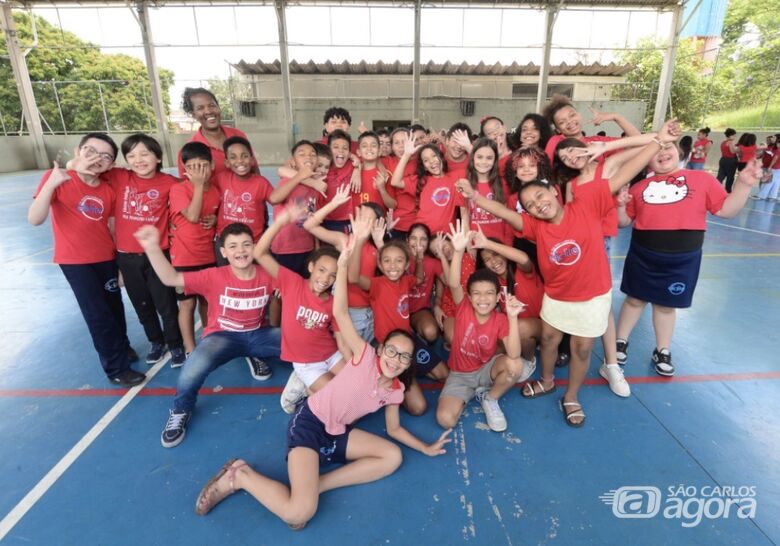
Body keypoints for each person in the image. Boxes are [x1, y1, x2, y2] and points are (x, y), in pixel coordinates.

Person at [192, 238, 452, 528]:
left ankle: (318, 484)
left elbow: (394, 429)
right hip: (311, 427)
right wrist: (341, 267)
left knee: (392, 457)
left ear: (408, 364)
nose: (395, 359)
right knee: (298, 514)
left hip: (338, 433)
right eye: (391, 350)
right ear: (380, 350)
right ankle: (239, 476)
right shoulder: (363, 356)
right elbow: (340, 311)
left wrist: (426, 447)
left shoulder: (396, 390)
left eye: (403, 356)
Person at [514, 121, 681, 427]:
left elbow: (627, 168)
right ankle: (548, 379)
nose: (574, 158)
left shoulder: (592, 188)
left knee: (582, 346)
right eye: (566, 157)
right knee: (550, 338)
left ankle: (573, 394)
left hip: (593, 270)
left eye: (577, 152)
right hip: (563, 280)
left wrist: (656, 141)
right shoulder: (569, 191)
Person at [615, 144, 763, 376]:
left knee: (665, 306)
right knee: (634, 300)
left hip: (682, 259)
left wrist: (744, 185)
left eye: (667, 147)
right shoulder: (639, 187)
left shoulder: (701, 179)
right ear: (645, 160)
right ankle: (619, 342)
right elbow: (623, 222)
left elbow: (726, 210)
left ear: (680, 151)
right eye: (655, 151)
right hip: (643, 255)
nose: (662, 153)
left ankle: (662, 349)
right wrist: (620, 206)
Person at [134, 222, 281, 448]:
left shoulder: (269, 275)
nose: (240, 251)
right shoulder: (213, 276)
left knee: (304, 343)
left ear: (255, 247)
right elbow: (171, 279)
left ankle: (257, 357)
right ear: (223, 252)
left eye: (246, 245)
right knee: (191, 370)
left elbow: (299, 289)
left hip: (257, 333)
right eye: (233, 246)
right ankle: (181, 410)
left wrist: (285, 289)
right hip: (222, 337)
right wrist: (152, 247)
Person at [28, 134, 145, 387]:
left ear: (111, 164)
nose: (97, 159)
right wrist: (51, 183)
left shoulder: (107, 189)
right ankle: (116, 368)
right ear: (78, 151)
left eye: (105, 156)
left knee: (114, 307)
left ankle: (122, 347)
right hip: (76, 262)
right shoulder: (57, 179)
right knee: (97, 314)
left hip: (106, 258)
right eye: (91, 151)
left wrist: (120, 263)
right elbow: (35, 218)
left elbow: (112, 228)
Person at [98, 133, 185, 367]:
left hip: (158, 255)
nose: (138, 159)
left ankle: (175, 344)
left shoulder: (170, 183)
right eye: (131, 155)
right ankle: (156, 341)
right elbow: (93, 168)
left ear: (157, 157)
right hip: (126, 256)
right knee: (142, 304)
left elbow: (191, 200)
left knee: (165, 303)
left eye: (145, 153)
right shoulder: (119, 177)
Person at [349, 210, 447, 416]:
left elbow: (418, 279)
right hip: (390, 350)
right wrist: (358, 241)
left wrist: (419, 260)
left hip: (408, 341)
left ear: (406, 265)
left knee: (444, 374)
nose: (393, 266)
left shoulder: (406, 280)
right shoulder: (377, 285)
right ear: (380, 264)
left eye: (399, 261)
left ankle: (413, 369)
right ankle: (395, 376)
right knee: (418, 408)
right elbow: (354, 278)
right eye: (387, 261)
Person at [436, 221, 531, 433]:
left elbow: (514, 353)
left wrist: (513, 318)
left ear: (498, 297)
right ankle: (472, 392)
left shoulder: (500, 319)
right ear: (469, 297)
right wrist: (458, 251)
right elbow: (453, 283)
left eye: (489, 293)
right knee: (445, 420)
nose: (483, 299)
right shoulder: (464, 308)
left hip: (486, 368)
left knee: (515, 366)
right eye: (477, 293)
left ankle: (490, 397)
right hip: (460, 374)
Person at [253, 203, 347, 414]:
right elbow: (259, 253)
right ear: (311, 267)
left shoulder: (333, 301)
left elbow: (341, 338)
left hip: (331, 355)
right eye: (322, 270)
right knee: (338, 405)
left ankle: (311, 389)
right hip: (306, 363)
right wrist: (280, 222)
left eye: (333, 275)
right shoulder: (292, 283)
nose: (325, 279)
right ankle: (303, 386)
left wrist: (354, 367)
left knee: (353, 392)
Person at [170, 142, 221, 356]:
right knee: (187, 304)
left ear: (212, 166)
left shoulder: (217, 191)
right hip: (184, 258)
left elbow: (219, 220)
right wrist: (199, 186)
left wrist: (216, 219)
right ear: (185, 170)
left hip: (208, 255)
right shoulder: (179, 189)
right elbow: (191, 216)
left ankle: (208, 340)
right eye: (193, 167)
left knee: (207, 302)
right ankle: (190, 348)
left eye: (203, 166)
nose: (199, 171)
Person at [268, 141, 328, 276]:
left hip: (307, 248)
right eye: (302, 154)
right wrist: (299, 176)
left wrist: (316, 247)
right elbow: (274, 199)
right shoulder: (287, 182)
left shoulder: (314, 188)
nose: (308, 157)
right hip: (285, 250)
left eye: (313, 155)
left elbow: (312, 217)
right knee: (284, 290)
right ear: (293, 162)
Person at [542, 94, 640, 165]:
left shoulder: (596, 142)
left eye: (572, 115)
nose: (569, 122)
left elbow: (638, 140)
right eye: (562, 122)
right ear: (558, 130)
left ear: (579, 115)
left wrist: (615, 117)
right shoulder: (556, 141)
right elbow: (546, 169)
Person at [177, 87, 251, 178]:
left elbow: (254, 171)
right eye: (200, 108)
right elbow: (187, 188)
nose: (208, 111)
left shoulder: (238, 135)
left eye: (212, 105)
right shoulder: (189, 151)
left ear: (218, 107)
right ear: (193, 114)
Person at [350, 131, 397, 213]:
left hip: (378, 223)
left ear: (379, 152)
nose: (369, 148)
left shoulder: (385, 175)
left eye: (373, 145)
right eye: (364, 146)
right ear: (358, 152)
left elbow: (392, 205)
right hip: (356, 223)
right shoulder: (352, 173)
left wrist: (382, 189)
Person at [754, 134, 780, 201]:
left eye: (774, 137)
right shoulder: (770, 146)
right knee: (774, 182)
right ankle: (772, 196)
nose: (772, 138)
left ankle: (761, 195)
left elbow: (775, 158)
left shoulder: (777, 149)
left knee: (768, 182)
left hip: (773, 168)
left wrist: (770, 167)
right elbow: (763, 155)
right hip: (770, 167)